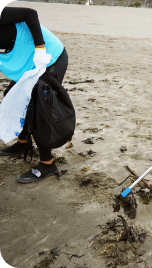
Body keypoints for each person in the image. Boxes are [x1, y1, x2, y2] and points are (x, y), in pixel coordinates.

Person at [0, 7, 68, 183]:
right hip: (27, 65)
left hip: (49, 57)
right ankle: (23, 143)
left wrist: (39, 47)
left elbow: (30, 13)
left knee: (39, 109)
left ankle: (47, 163)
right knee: (11, 96)